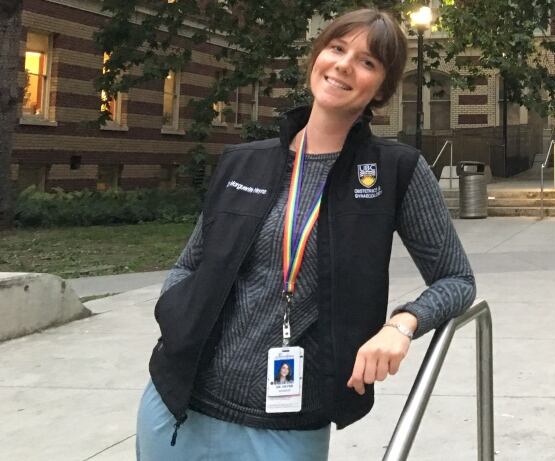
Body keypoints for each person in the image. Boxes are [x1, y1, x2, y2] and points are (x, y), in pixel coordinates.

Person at [136, 8, 475, 460]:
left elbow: (457, 280)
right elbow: (190, 263)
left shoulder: (397, 171)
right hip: (176, 405)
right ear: (317, 56)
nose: (343, 65)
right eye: (337, 49)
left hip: (285, 426)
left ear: (382, 87)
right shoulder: (244, 161)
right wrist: (176, 321)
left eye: (367, 61)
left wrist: (402, 324)